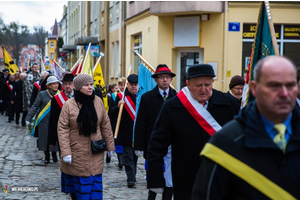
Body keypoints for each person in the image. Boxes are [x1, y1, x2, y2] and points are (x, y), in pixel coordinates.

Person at [192, 56, 300, 199]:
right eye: (274, 85)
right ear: (255, 89)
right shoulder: (225, 144)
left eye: (290, 85)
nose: (284, 93)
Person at [147, 64, 240, 199]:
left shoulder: (229, 104)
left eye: (207, 85)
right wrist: (156, 180)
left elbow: (241, 140)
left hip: (222, 179)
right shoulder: (172, 107)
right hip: (186, 180)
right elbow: (156, 146)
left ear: (213, 82)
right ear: (188, 84)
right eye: (198, 85)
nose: (203, 90)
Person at [57, 73, 115, 200]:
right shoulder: (69, 105)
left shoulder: (98, 101)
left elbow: (106, 124)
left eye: (91, 85)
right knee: (80, 191)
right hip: (76, 153)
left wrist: (110, 146)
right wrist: (66, 152)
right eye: (86, 85)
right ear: (78, 87)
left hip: (96, 151)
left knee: (95, 190)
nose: (90, 87)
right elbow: (62, 129)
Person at [134, 64, 177, 200]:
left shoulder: (177, 97)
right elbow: (141, 123)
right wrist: (139, 145)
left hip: (172, 146)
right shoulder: (147, 98)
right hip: (152, 145)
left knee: (169, 180)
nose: (165, 80)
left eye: (168, 77)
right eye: (162, 77)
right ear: (156, 80)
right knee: (154, 178)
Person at [109, 74, 139, 188]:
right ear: (127, 85)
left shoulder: (140, 96)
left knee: (135, 156)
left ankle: (133, 175)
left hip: (136, 133)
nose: (133, 87)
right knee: (128, 157)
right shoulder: (121, 96)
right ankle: (130, 178)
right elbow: (111, 113)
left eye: (135, 85)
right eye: (131, 85)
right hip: (125, 132)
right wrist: (118, 106)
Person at [25, 75, 61, 164]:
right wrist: (28, 118)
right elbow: (35, 106)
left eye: (57, 84)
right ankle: (47, 156)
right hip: (44, 121)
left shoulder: (60, 94)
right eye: (53, 84)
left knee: (55, 138)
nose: (56, 85)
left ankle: (54, 154)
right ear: (48, 85)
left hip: (56, 121)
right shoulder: (42, 94)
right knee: (45, 138)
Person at [48, 73, 75, 153]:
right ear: (62, 85)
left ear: (74, 84)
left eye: (70, 84)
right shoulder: (56, 99)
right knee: (64, 156)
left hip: (77, 133)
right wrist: (52, 140)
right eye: (65, 84)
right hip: (62, 133)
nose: (67, 86)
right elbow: (53, 119)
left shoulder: (79, 97)